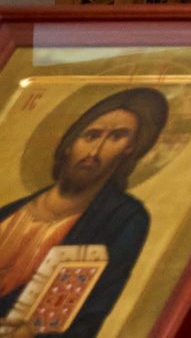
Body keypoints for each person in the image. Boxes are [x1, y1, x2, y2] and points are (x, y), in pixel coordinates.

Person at [0, 88, 162, 338]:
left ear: (130, 149)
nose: (95, 152)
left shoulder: (123, 219)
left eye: (116, 137)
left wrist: (36, 335)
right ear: (69, 143)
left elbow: (91, 317)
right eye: (91, 136)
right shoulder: (8, 213)